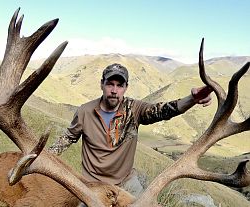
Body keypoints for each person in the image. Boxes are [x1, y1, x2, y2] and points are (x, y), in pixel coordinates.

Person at [49, 63, 212, 196]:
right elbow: (68, 138)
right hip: (92, 185)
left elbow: (163, 111)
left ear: (126, 87)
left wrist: (193, 99)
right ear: (102, 84)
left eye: (119, 85)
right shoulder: (85, 111)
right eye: (110, 84)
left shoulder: (134, 109)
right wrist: (43, 157)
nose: (114, 90)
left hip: (126, 182)